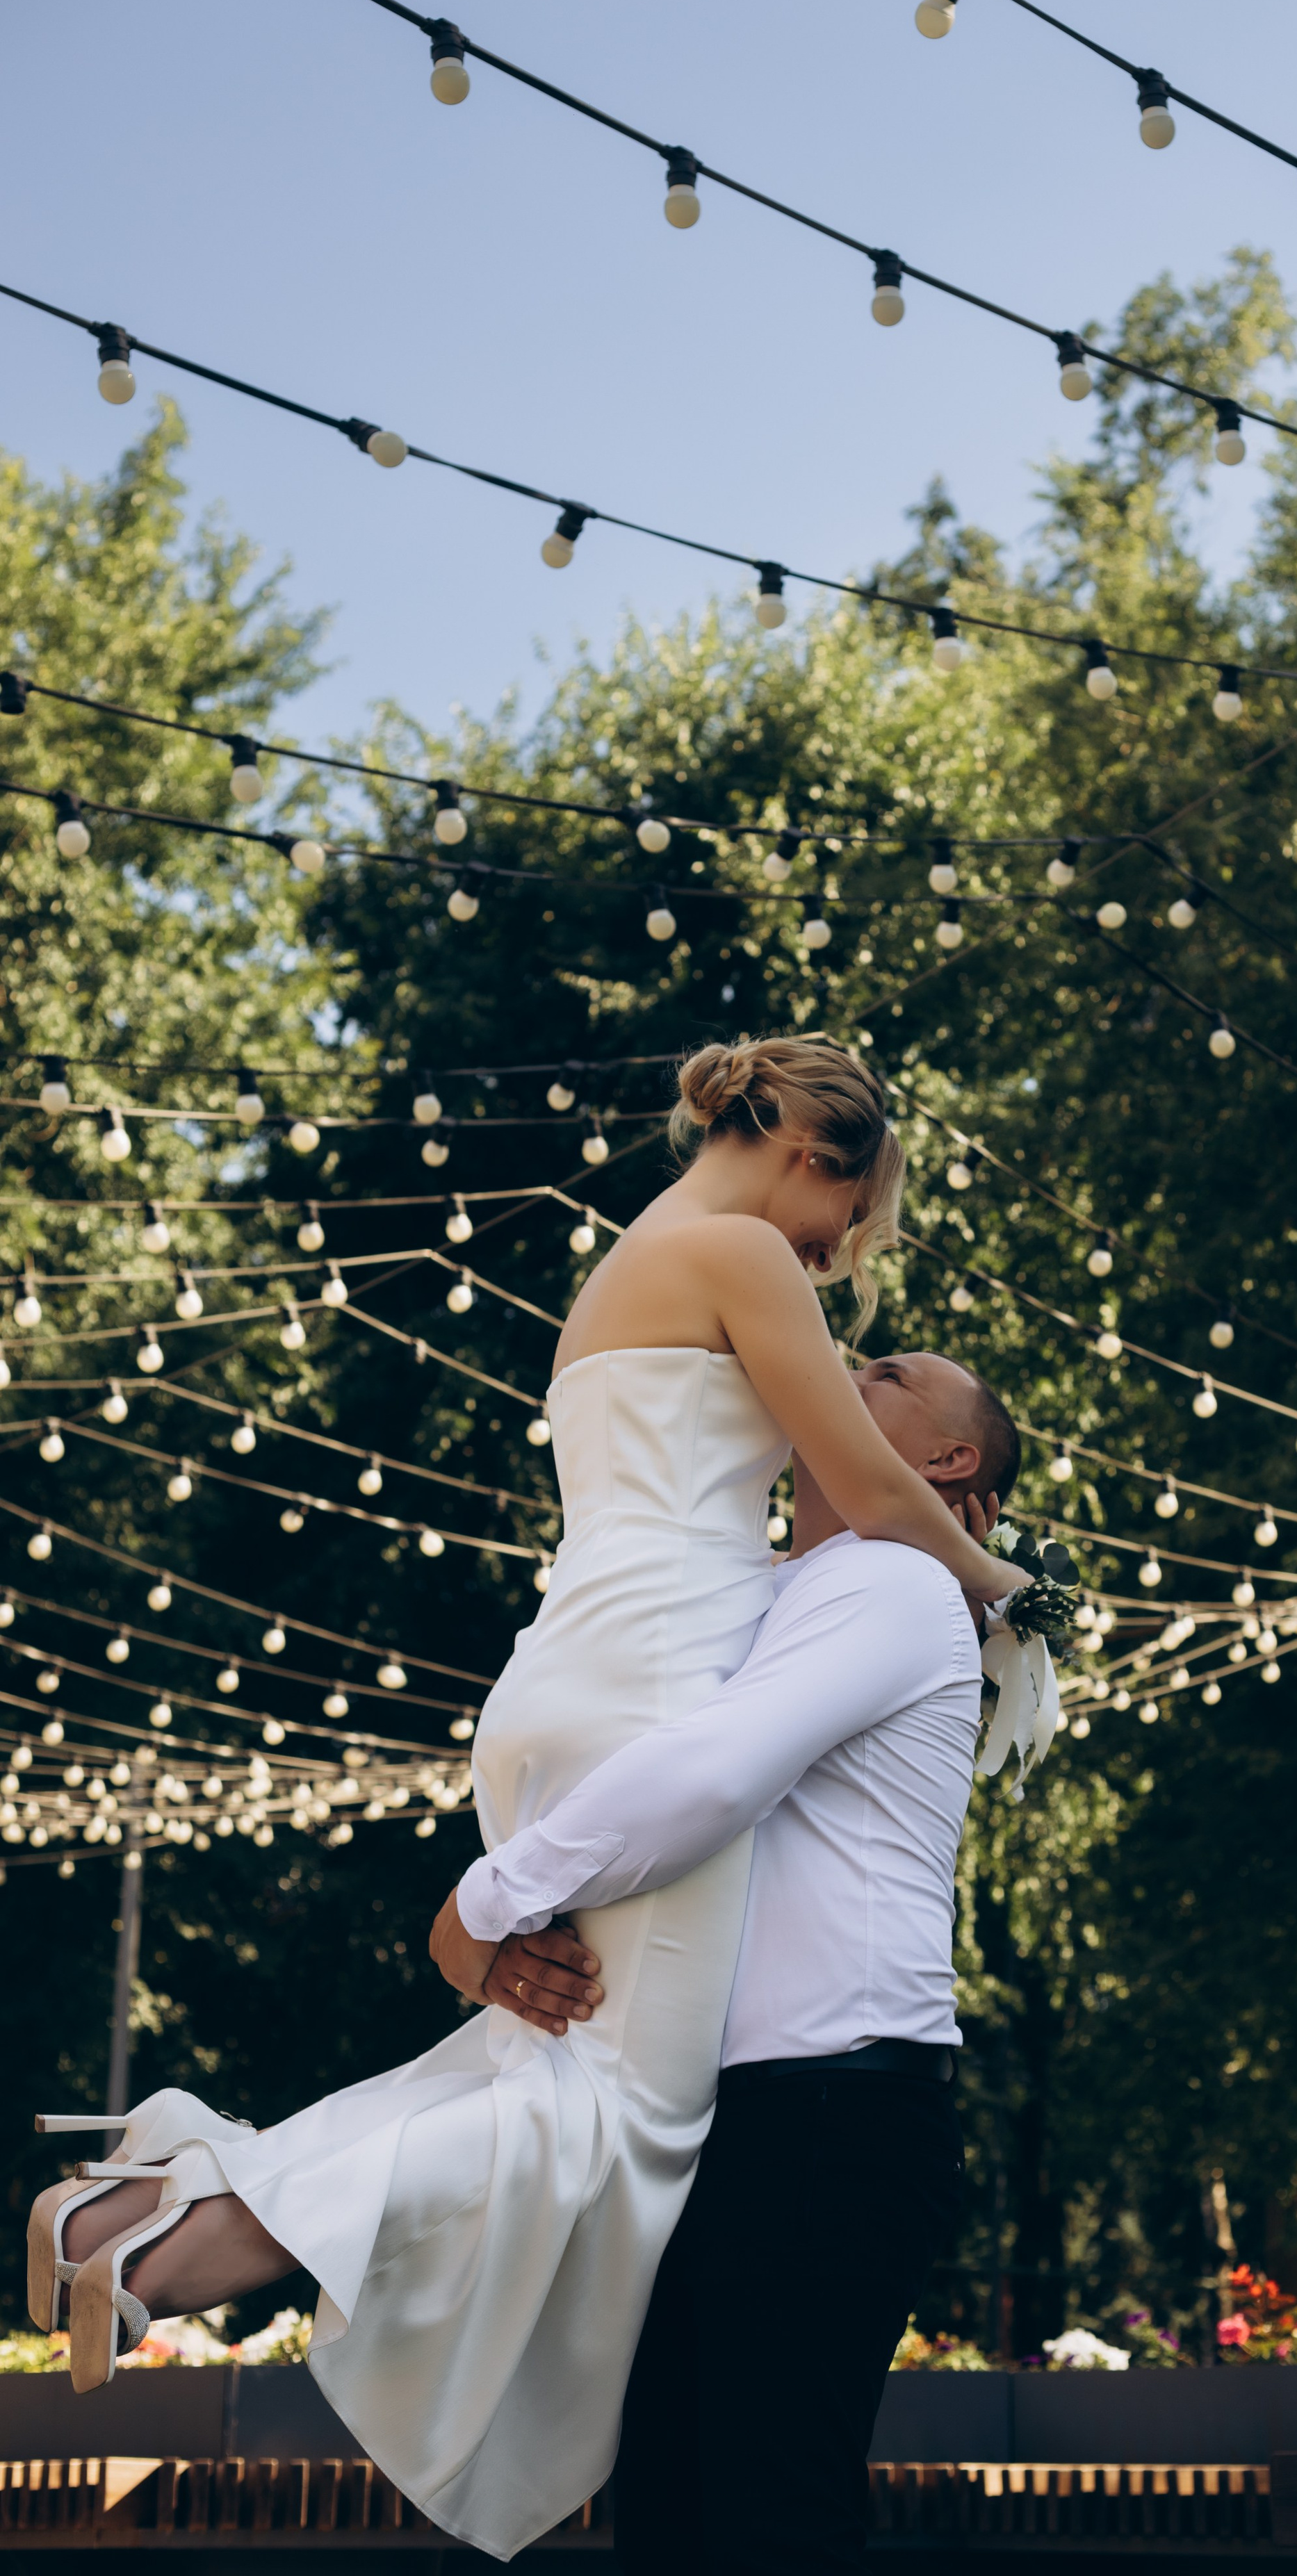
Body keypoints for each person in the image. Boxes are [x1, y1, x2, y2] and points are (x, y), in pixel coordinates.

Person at [26, 1037, 1021, 2566]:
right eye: (843, 1236)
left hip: (573, 1672)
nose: (833, 1289)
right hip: (653, 1699)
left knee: (534, 2074)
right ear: (812, 1156)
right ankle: (183, 2236)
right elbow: (871, 1503)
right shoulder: (757, 1269)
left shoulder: (628, 1280)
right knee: (603, 2109)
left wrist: (482, 1929)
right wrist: (1012, 1587)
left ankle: (176, 2199)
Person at [432, 1347, 1031, 2575]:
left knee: (764, 2525)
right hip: (722, 2121)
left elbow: (709, 1774)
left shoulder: (893, 1581)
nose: (842, 1360)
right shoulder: (764, 1590)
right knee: (674, 2523)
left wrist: (482, 1907)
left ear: (950, 1460)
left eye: (890, 1368)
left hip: (833, 2117)